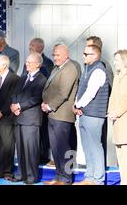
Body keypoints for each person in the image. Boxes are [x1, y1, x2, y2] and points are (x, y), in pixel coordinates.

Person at [73, 44, 110, 185]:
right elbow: (81, 90)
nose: (83, 56)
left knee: (95, 147)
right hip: (84, 114)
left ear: (95, 55)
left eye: (86, 53)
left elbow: (90, 93)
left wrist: (78, 105)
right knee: (87, 147)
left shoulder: (99, 70)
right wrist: (76, 106)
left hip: (94, 115)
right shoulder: (87, 70)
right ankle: (89, 177)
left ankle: (98, 179)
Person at [42, 44, 79, 185]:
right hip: (52, 114)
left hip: (62, 115)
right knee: (56, 148)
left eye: (58, 55)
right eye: (54, 55)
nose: (55, 58)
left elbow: (63, 92)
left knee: (64, 148)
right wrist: (45, 103)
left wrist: (49, 106)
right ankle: (58, 176)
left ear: (66, 55)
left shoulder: (70, 68)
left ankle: (66, 179)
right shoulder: (57, 68)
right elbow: (50, 88)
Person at [7, 52, 47, 184]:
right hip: (18, 118)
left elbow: (35, 98)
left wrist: (19, 106)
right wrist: (13, 106)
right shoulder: (23, 78)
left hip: (31, 120)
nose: (26, 64)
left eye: (29, 62)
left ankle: (32, 176)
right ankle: (21, 174)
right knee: (21, 149)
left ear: (37, 64)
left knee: (31, 149)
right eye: (26, 61)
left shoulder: (42, 79)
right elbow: (15, 93)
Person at [107, 50, 127, 185]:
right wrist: (110, 112)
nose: (114, 63)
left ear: (125, 60)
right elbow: (113, 98)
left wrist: (117, 112)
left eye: (117, 60)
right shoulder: (117, 77)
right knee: (122, 165)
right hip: (118, 126)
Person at [22, 37, 54, 164]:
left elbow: (48, 83)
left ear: (40, 47)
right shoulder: (28, 62)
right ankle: (33, 157)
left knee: (43, 131)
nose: (29, 47)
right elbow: (23, 81)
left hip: (41, 102)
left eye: (32, 45)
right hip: (26, 105)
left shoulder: (48, 63)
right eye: (30, 45)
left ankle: (43, 156)